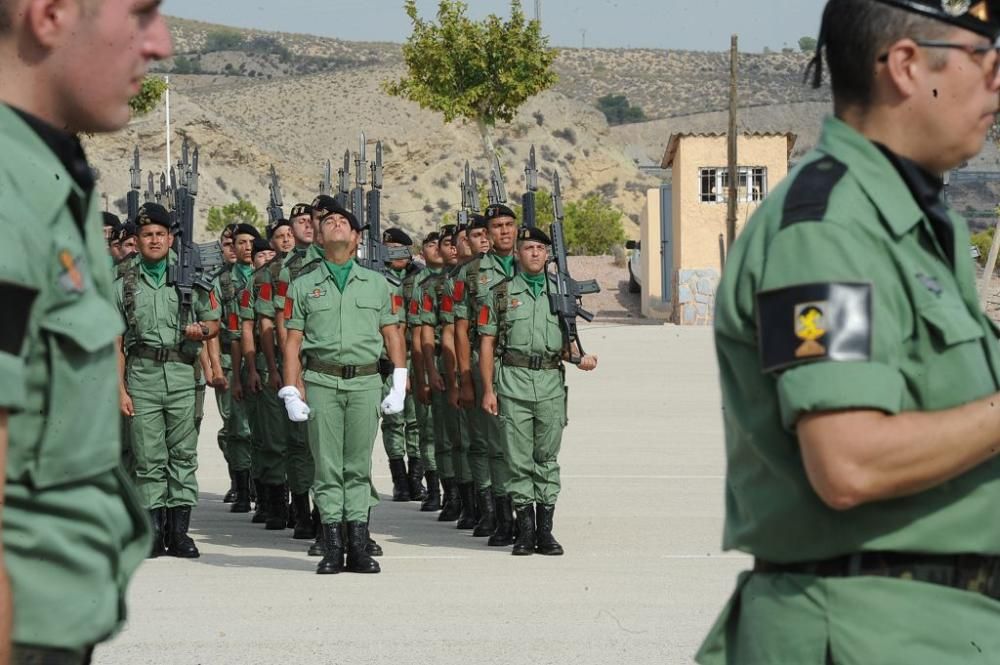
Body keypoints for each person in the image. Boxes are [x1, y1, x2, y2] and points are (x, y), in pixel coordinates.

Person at [698, 1, 1000, 663]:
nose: (996, 81)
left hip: (934, 624)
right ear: (906, 65)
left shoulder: (923, 225)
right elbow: (848, 461)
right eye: (983, 57)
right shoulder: (830, 228)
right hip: (866, 627)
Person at [0, 1, 171, 661]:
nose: (161, 43)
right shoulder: (11, 192)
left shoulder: (44, 179)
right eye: (141, 13)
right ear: (50, 15)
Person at [281, 202, 406, 575]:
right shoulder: (302, 285)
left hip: (366, 381)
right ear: (319, 238)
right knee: (328, 466)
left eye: (344, 223)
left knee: (358, 466)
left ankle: (358, 545)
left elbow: (392, 334)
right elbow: (292, 340)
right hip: (321, 381)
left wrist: (399, 381)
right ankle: (333, 546)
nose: (336, 225)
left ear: (355, 239)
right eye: (329, 222)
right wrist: (290, 388)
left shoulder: (378, 284)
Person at [479, 226, 597, 556]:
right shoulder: (500, 294)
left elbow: (568, 343)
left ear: (548, 255)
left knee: (546, 459)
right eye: (528, 247)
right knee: (518, 462)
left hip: (548, 385)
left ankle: (545, 532)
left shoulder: (561, 294)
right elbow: (487, 344)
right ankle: (525, 532)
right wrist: (488, 389)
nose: (534, 253)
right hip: (513, 385)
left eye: (540, 248)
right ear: (517, 252)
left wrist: (580, 359)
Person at [116, 203, 221, 559]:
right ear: (138, 240)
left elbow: (214, 322)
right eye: (147, 235)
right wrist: (120, 389)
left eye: (161, 234)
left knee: (182, 455)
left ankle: (179, 533)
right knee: (148, 458)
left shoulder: (190, 275)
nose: (154, 240)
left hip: (182, 375)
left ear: (171, 238)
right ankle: (153, 532)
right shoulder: (124, 282)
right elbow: (116, 343)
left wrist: (201, 330)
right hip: (142, 377)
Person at [380, 227, 427, 502]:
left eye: (398, 247)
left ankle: (416, 478)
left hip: (414, 355)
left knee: (416, 421)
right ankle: (399, 479)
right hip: (387, 359)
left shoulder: (419, 277)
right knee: (393, 421)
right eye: (389, 248)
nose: (393, 253)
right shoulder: (376, 279)